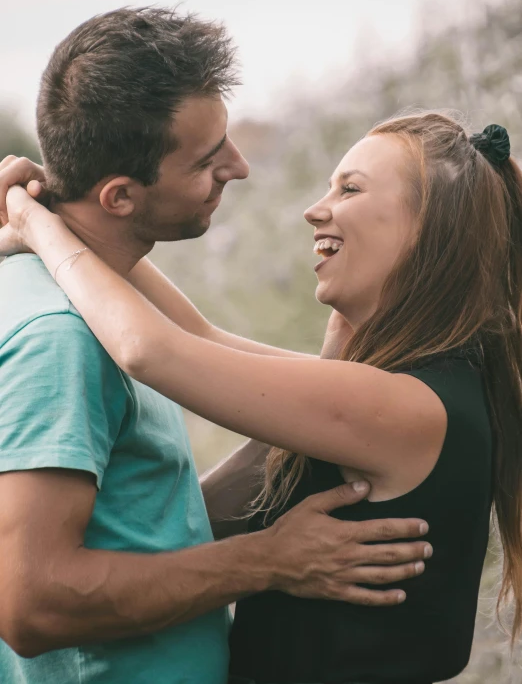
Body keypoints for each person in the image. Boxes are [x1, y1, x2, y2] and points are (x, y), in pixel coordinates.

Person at [4, 113, 519, 684]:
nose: (315, 208)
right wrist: (70, 207)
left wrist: (34, 224)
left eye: (349, 188)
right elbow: (202, 339)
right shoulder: (391, 387)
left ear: (430, 230)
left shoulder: (406, 406)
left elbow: (149, 349)